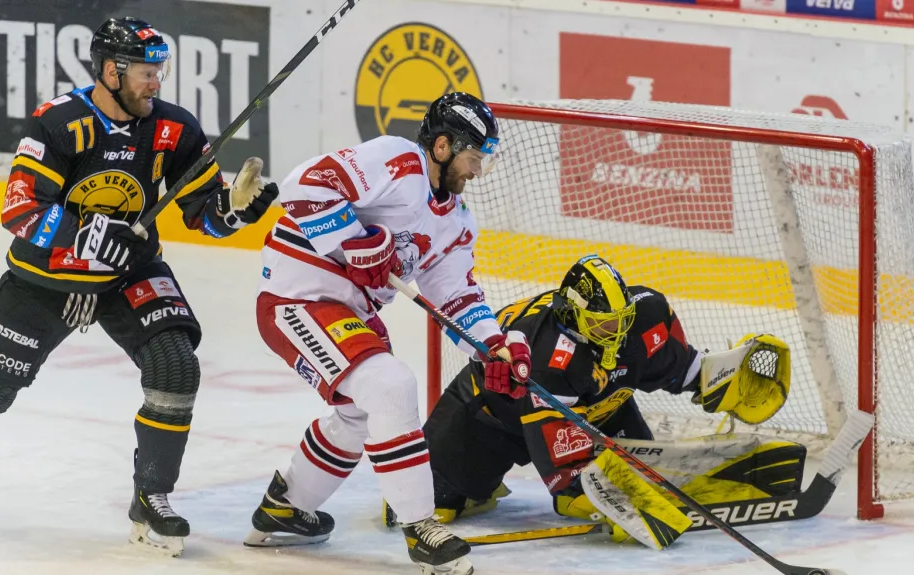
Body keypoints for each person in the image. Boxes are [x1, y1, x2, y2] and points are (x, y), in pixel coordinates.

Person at [0, 17, 278, 557]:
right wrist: (92, 235)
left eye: (160, 71)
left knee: (175, 367)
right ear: (110, 71)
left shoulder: (173, 128)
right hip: (45, 278)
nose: (156, 82)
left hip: (127, 273)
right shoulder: (59, 122)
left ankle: (151, 497)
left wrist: (234, 210)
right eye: (147, 72)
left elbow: (204, 215)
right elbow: (19, 209)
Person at [244, 92, 530, 574]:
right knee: (391, 387)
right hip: (298, 293)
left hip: (350, 309)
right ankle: (421, 527)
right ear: (443, 146)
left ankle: (286, 506)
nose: (478, 171)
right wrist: (355, 242)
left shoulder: (458, 223)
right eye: (473, 157)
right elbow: (303, 185)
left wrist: (493, 345)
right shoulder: (398, 161)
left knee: (360, 413)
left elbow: (456, 297)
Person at [420, 255, 794, 550]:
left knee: (640, 470)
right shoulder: (550, 358)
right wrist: (609, 503)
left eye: (621, 320)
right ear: (573, 317)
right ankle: (461, 484)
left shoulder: (645, 317)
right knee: (436, 502)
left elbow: (678, 367)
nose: (616, 334)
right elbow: (566, 483)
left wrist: (713, 381)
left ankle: (643, 474)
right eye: (603, 325)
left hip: (598, 409)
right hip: (490, 418)